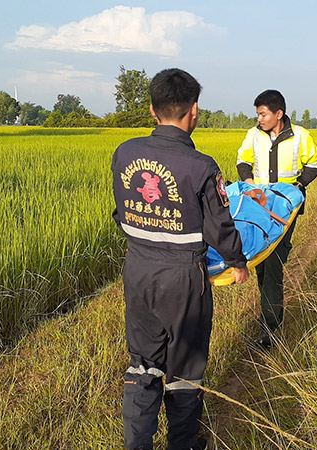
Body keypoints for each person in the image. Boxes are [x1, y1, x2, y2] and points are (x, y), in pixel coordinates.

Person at [111, 68, 249, 450]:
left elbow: (122, 212)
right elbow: (219, 227)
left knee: (143, 365)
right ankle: (184, 444)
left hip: (138, 270)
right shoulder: (202, 166)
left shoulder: (125, 153)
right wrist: (238, 263)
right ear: (194, 111)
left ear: (153, 111)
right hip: (183, 278)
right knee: (185, 370)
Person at [236, 89, 317, 348]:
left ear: (278, 113)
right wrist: (250, 185)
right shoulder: (254, 135)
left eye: (263, 114)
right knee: (260, 261)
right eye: (258, 114)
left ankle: (270, 328)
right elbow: (243, 162)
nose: (259, 118)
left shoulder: (300, 136)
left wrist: (298, 186)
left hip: (285, 210)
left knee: (273, 261)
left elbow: (315, 164)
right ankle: (269, 313)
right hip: (259, 208)